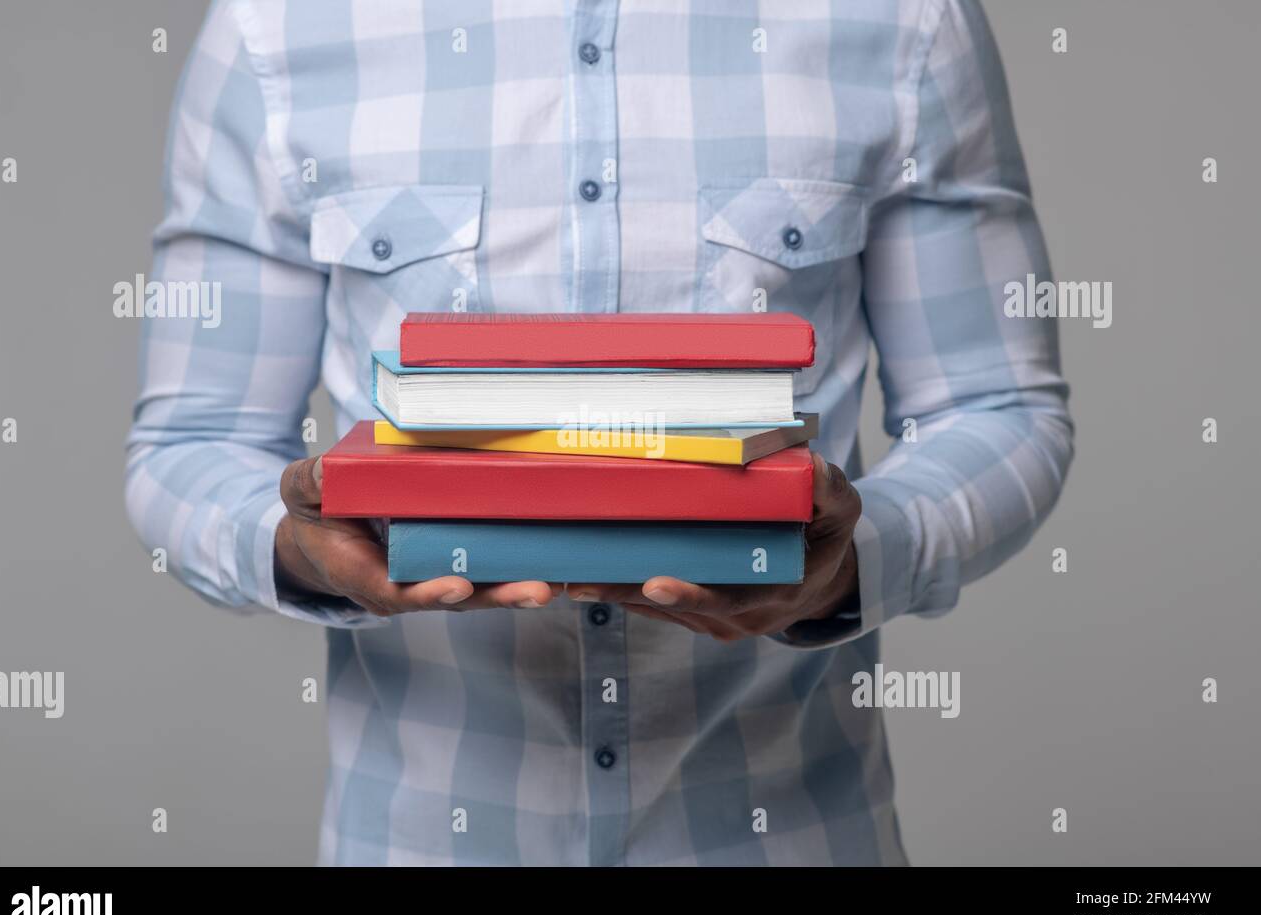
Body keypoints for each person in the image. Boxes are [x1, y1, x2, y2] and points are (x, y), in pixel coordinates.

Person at [127, 0, 1073, 865]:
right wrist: (294, 546)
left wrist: (856, 555)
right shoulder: (279, 29)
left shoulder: (900, 20)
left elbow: (994, 407)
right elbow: (192, 438)